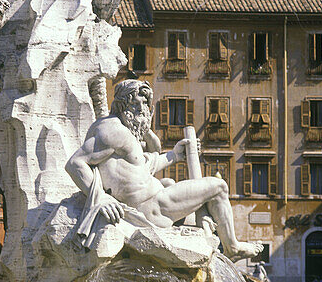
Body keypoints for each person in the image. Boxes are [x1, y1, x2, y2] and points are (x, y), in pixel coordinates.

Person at [67, 80, 263, 261]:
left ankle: (205, 228)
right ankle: (232, 247)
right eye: (138, 104)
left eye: (145, 104)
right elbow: (75, 163)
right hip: (152, 208)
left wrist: (173, 156)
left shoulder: (119, 130)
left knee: (169, 182)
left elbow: (138, 171)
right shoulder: (112, 131)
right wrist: (101, 197)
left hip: (152, 202)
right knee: (219, 186)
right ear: (123, 104)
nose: (143, 109)